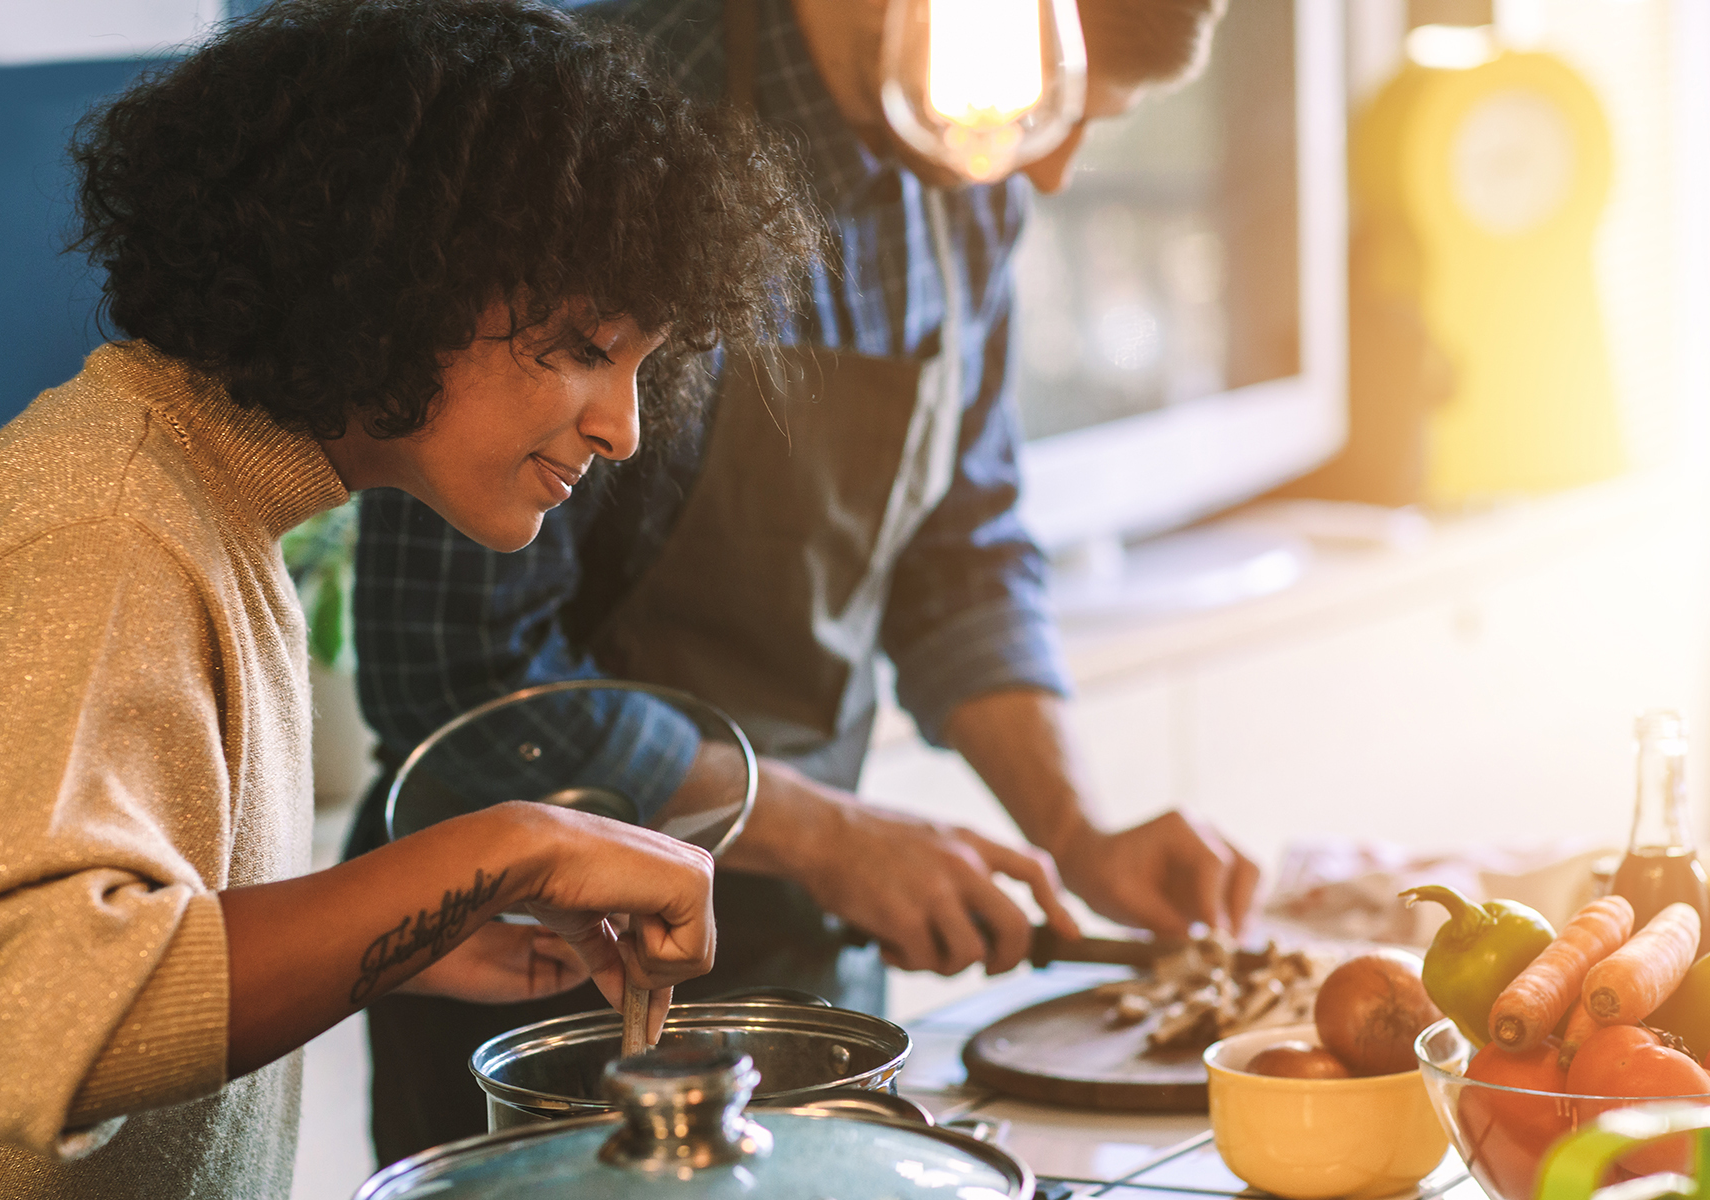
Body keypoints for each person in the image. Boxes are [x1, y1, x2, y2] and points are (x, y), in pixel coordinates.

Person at [0, 2, 821, 1196]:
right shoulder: (107, 529)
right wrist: (516, 845)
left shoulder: (197, 506)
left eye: (641, 365)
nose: (621, 426)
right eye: (576, 344)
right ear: (398, 272)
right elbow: (34, 1018)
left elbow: (135, 920)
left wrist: (393, 944)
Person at [347, 0, 1263, 1160]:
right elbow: (464, 681)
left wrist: (1080, 834)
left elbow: (960, 552)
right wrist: (829, 837)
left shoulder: (970, 174)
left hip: (802, 968)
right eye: (1058, 101)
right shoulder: (590, 120)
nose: (1055, 166)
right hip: (538, 993)